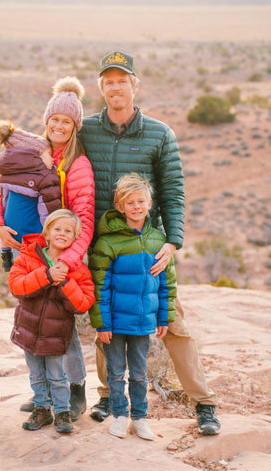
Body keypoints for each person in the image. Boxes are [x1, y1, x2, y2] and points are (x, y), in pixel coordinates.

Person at [77, 51, 221, 435]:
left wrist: (172, 242)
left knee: (173, 323)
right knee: (106, 318)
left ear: (135, 86)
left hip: (148, 249)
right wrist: (2, 186)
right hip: (104, 247)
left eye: (123, 80)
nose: (115, 87)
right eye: (108, 81)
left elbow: (173, 192)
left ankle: (204, 404)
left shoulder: (159, 133)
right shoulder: (86, 130)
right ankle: (109, 397)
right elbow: (55, 163)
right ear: (101, 88)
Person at [0, 77, 95, 421]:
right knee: (36, 315)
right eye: (54, 119)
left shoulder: (77, 165)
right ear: (46, 121)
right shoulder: (31, 155)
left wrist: (67, 260)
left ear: (75, 126)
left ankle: (75, 388)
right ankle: (45, 395)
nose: (59, 126)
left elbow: (85, 217)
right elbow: (2, 193)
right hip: (32, 251)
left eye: (67, 121)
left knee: (62, 323)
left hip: (65, 252)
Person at [89, 173, 177, 440]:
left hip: (142, 323)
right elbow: (99, 286)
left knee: (139, 375)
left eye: (141, 201)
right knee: (115, 373)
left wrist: (164, 318)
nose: (136, 207)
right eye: (130, 203)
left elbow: (167, 285)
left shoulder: (158, 241)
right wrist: (101, 323)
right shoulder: (107, 242)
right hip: (114, 323)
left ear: (149, 204)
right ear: (120, 206)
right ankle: (118, 416)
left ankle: (139, 418)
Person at [8, 209, 95, 434]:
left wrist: (65, 282)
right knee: (36, 374)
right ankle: (42, 410)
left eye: (68, 231)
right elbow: (16, 286)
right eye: (57, 229)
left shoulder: (77, 269)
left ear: (76, 239)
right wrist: (46, 276)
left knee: (57, 375)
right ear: (47, 232)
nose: (62, 234)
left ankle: (63, 412)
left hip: (57, 334)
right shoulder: (28, 257)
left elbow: (84, 303)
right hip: (29, 329)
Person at [0, 118, 61, 272]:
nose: (52, 157)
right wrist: (50, 241)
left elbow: (2, 203)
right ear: (34, 157)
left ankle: (5, 255)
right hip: (34, 241)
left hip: (12, 241)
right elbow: (47, 210)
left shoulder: (8, 175)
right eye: (48, 153)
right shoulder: (44, 176)